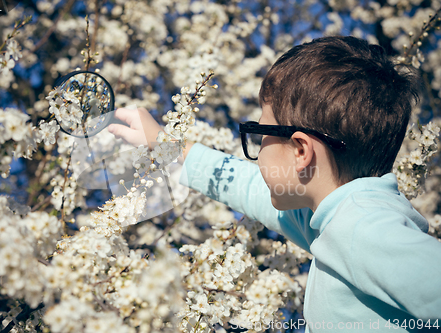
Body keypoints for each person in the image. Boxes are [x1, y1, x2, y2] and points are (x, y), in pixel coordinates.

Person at [107, 36, 441, 332]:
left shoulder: (362, 230)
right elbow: (250, 188)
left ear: (300, 151)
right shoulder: (333, 219)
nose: (257, 146)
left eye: (260, 133)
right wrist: (168, 146)